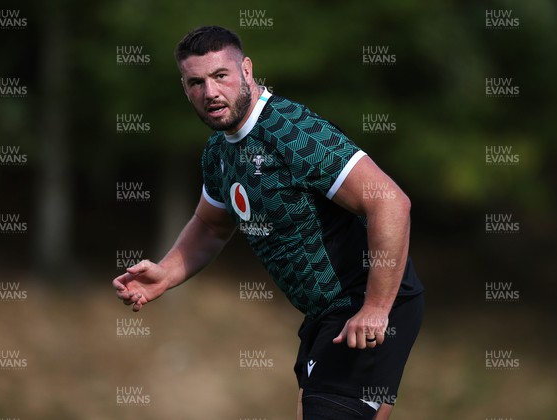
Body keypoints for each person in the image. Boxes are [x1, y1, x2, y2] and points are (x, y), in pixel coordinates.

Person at [113, 25, 424, 420]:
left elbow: (392, 203)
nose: (209, 93)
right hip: (325, 313)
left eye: (220, 76)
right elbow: (211, 226)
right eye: (196, 82)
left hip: (362, 302)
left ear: (246, 69)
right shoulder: (217, 154)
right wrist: (166, 273)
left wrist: (377, 307)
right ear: (184, 88)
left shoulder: (292, 131)